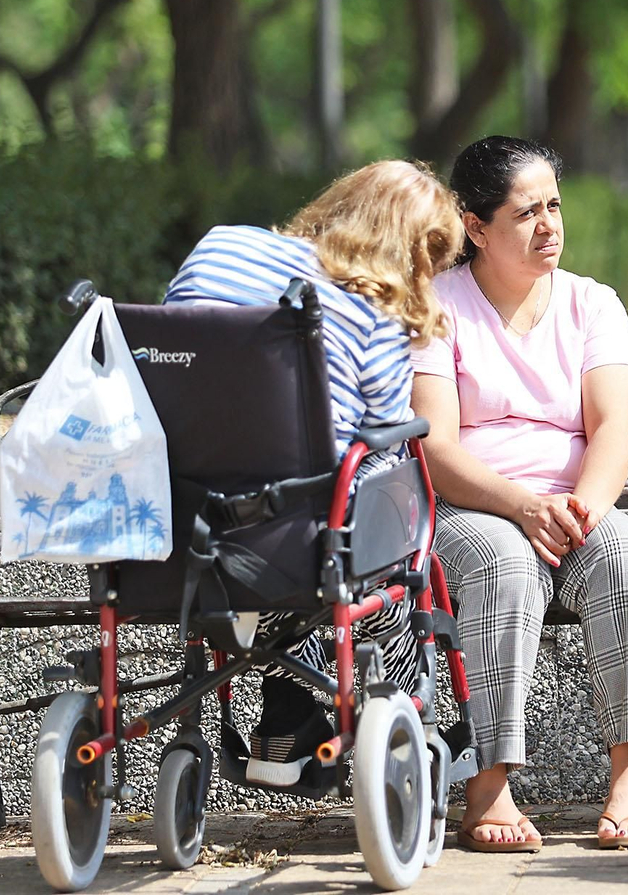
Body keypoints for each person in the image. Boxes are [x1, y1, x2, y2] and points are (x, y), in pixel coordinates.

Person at [165, 159, 463, 787]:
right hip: (294, 543)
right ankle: (404, 705)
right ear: (416, 252)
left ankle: (286, 709)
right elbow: (383, 437)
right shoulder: (375, 314)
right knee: (389, 549)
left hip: (176, 521)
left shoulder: (220, 246)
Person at [411, 136, 628, 853]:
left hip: (573, 504)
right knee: (505, 562)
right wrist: (522, 507)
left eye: (554, 205)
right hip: (469, 509)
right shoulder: (438, 307)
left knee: (627, 557)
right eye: (527, 212)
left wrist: (578, 508)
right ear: (476, 226)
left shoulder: (593, 304)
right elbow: (433, 447)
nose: (549, 224)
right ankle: (486, 785)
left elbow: (613, 425)